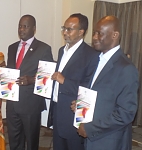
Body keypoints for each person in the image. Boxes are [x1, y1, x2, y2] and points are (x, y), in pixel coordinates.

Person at [73, 16, 139, 150]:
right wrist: (81, 105)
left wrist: (90, 128)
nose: (94, 37)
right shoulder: (98, 60)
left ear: (115, 35)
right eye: (94, 33)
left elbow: (126, 113)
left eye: (100, 33)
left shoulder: (126, 69)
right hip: (92, 139)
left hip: (109, 142)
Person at [47, 13, 99, 150]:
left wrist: (64, 80)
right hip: (58, 110)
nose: (65, 32)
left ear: (81, 32)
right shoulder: (61, 51)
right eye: (64, 28)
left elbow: (90, 88)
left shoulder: (91, 55)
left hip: (74, 112)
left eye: (69, 29)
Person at [3, 14, 53, 150]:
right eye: (20, 26)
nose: (21, 29)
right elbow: (11, 70)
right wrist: (1, 77)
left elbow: (47, 78)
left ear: (34, 29)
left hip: (30, 103)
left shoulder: (43, 49)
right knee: (14, 140)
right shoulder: (12, 48)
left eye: (25, 26)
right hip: (12, 103)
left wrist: (31, 80)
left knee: (31, 141)